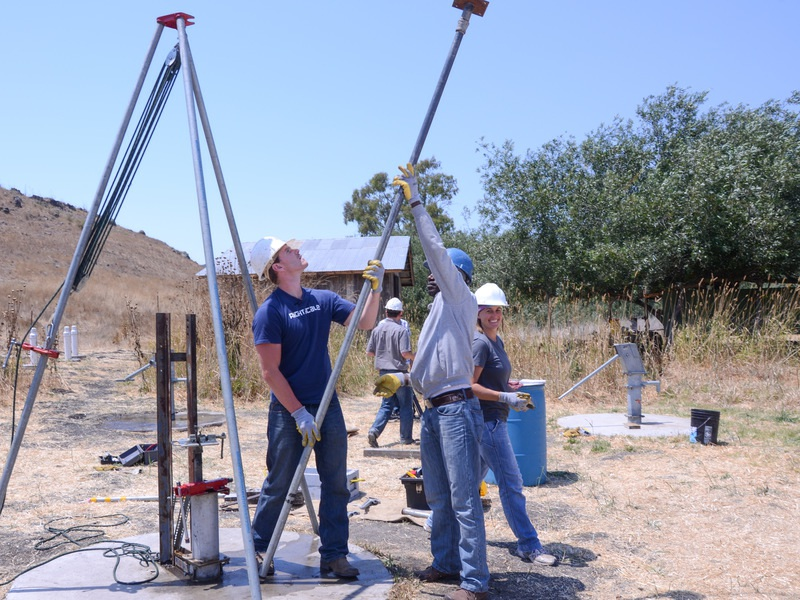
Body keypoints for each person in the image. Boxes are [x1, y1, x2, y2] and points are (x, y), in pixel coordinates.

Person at [373, 164, 487, 600]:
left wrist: (416, 203)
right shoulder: (439, 313)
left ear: (454, 273)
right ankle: (445, 563)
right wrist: (402, 379)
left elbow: (437, 250)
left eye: (439, 268)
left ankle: (475, 582)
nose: (431, 272)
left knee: (463, 499)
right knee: (437, 496)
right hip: (437, 413)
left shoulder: (460, 299)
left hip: (458, 410)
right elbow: (426, 370)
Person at [249, 236, 383, 579]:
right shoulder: (271, 311)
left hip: (327, 405)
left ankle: (334, 555)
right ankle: (260, 546)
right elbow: (270, 372)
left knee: (336, 482)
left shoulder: (321, 299)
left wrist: (376, 289)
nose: (297, 251)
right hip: (287, 409)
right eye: (288, 251)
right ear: (278, 267)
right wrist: (298, 412)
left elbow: (364, 323)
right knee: (280, 482)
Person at [471, 282, 557, 567]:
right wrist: (505, 396)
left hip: (495, 418)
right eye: (488, 311)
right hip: (488, 422)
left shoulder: (497, 340)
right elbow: (469, 386)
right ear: (478, 313)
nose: (495, 315)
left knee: (470, 482)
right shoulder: (480, 343)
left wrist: (507, 385)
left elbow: (488, 379)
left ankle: (436, 521)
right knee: (512, 484)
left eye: (498, 310)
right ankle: (528, 545)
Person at [366, 297, 416, 447]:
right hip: (400, 374)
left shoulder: (377, 330)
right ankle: (406, 438)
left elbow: (370, 353)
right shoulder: (401, 330)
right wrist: (416, 357)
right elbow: (405, 353)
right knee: (406, 405)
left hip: (384, 373)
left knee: (386, 405)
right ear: (400, 313)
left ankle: (374, 430)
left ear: (386, 312)